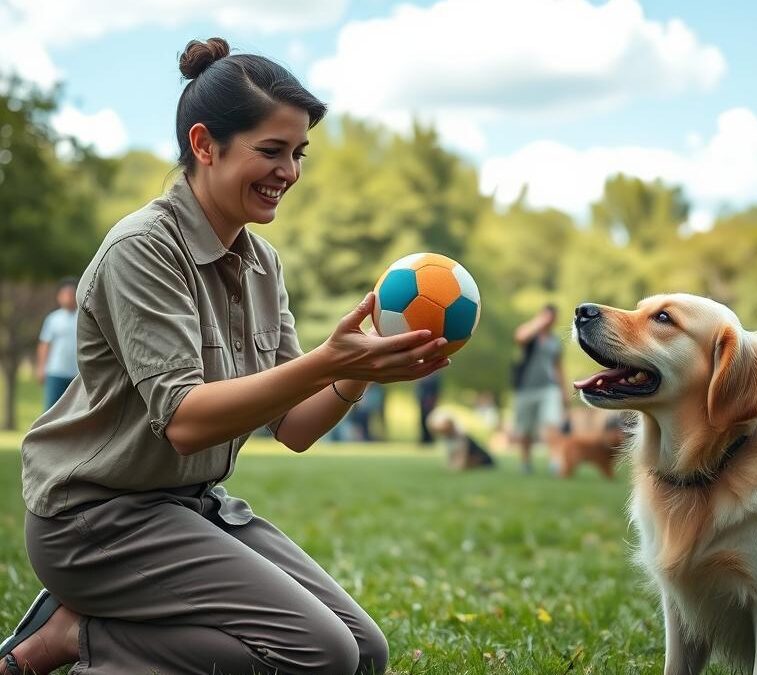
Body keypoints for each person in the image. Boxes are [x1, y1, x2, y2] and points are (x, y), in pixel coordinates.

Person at [0, 38, 449, 675]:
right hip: (94, 522)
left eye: (297, 153)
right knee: (320, 656)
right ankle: (76, 638)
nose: (289, 171)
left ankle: (93, 632)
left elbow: (292, 428)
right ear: (205, 145)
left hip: (189, 507)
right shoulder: (142, 249)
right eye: (271, 151)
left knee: (364, 653)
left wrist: (355, 372)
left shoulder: (263, 264)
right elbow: (185, 422)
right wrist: (327, 360)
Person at [511, 304, 567, 473]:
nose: (549, 320)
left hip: (549, 388)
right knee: (525, 429)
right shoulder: (530, 333)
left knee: (552, 423)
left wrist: (564, 392)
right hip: (526, 388)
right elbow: (520, 338)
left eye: (551, 318)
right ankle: (526, 463)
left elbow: (558, 367)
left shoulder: (555, 341)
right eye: (546, 316)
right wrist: (538, 322)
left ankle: (555, 462)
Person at [35, 278, 79, 410]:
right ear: (59, 296)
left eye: (71, 294)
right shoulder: (53, 319)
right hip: (56, 372)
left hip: (78, 373)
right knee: (51, 409)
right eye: (65, 294)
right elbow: (44, 344)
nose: (68, 297)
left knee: (74, 410)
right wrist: (41, 367)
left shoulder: (83, 318)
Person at [415, 371, 441, 444]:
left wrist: (433, 401)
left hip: (430, 402)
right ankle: (424, 438)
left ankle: (429, 438)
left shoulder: (435, 378)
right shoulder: (423, 378)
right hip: (422, 401)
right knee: (422, 420)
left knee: (429, 420)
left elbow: (436, 391)